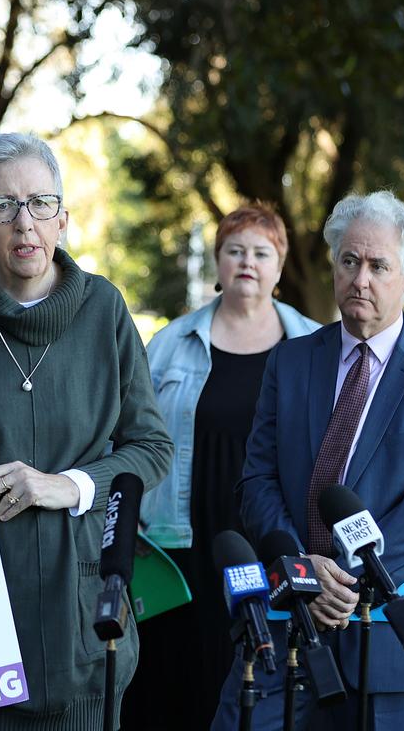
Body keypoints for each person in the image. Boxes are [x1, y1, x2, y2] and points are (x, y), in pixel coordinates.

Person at [0, 132, 174, 729]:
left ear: (64, 219)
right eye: (3, 207)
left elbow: (151, 448)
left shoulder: (105, 311)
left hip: (83, 618)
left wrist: (67, 485)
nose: (26, 223)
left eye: (42, 204)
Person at [212, 191, 404, 730]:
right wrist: (300, 571)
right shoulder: (290, 360)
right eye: (349, 261)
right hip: (285, 615)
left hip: (387, 628)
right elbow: (258, 479)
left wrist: (344, 577)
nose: (361, 279)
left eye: (379, 265)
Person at [124, 204, 320, 730]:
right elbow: (134, 434)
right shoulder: (170, 344)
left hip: (273, 534)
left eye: (261, 253)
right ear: (218, 262)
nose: (247, 262)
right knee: (183, 677)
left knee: (266, 677)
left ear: (280, 267)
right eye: (235, 251)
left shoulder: (315, 344)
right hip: (186, 536)